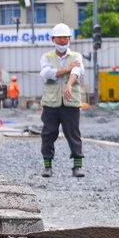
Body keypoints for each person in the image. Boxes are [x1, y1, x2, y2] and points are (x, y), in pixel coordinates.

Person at [39, 23, 85, 178]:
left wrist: (69, 84)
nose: (63, 41)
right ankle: (48, 166)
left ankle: (77, 166)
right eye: (60, 38)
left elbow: (77, 71)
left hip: (70, 102)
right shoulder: (46, 57)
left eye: (66, 37)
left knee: (73, 133)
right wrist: (67, 69)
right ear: (53, 39)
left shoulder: (76, 56)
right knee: (48, 134)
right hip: (51, 103)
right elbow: (47, 73)